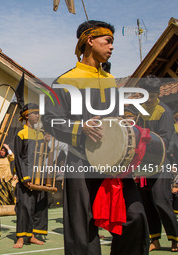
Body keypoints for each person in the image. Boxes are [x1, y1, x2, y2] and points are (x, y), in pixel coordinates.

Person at [42, 20, 149, 254]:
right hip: (80, 161)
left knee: (135, 216)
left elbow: (116, 120)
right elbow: (49, 119)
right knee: (83, 229)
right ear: (89, 41)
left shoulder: (110, 80)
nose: (112, 47)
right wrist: (79, 128)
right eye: (108, 41)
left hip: (114, 161)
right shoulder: (65, 81)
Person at [136, 76, 178, 252]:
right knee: (147, 201)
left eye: (152, 97)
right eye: (146, 96)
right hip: (145, 163)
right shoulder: (141, 111)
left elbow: (167, 140)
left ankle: (175, 238)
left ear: (158, 94)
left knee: (161, 200)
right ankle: (155, 239)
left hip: (161, 162)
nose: (149, 100)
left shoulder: (164, 111)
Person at [13, 103, 48, 248]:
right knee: (24, 207)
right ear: (27, 115)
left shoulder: (40, 134)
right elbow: (19, 158)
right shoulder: (21, 133)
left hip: (39, 174)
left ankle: (32, 235)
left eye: (39, 113)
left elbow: (44, 154)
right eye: (35, 113)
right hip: (26, 175)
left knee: (38, 206)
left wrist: (46, 143)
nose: (38, 116)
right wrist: (24, 177)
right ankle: (21, 237)